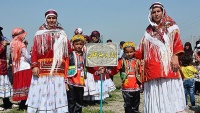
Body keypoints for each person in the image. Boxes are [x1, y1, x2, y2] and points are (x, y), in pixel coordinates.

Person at [136, 2, 186, 112]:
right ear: (150, 14)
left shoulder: (172, 26)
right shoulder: (148, 31)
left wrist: (175, 56)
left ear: (163, 12)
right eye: (153, 12)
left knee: (169, 90)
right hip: (152, 66)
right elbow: (140, 50)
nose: (156, 14)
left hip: (168, 65)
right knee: (154, 92)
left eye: (158, 11)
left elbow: (177, 43)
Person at [26, 9, 70, 113]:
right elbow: (35, 50)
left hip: (58, 67)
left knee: (57, 90)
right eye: (49, 18)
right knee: (42, 90)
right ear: (46, 19)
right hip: (42, 67)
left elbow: (68, 49)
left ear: (56, 19)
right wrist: (34, 65)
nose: (51, 20)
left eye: (53, 18)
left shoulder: (62, 33)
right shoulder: (39, 34)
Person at [108, 42, 142, 113]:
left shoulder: (138, 61)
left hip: (136, 86)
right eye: (127, 52)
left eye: (131, 52)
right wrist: (107, 71)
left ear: (134, 51)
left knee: (136, 105)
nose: (129, 54)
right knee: (127, 105)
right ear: (124, 52)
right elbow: (115, 70)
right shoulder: (121, 61)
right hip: (126, 86)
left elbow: (142, 72)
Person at [10, 28, 32, 110]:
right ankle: (25, 104)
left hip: (16, 68)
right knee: (27, 86)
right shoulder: (21, 44)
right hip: (24, 67)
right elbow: (27, 56)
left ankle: (22, 105)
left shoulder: (12, 43)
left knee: (21, 86)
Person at [67, 35, 86, 113]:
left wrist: (98, 71)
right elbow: (65, 67)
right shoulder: (70, 54)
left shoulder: (84, 55)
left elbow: (90, 67)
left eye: (80, 44)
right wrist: (65, 81)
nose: (78, 46)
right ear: (73, 44)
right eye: (77, 44)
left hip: (80, 80)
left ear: (83, 45)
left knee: (79, 100)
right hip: (71, 80)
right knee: (71, 100)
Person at [0, 33, 13, 111]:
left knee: (4, 86)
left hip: (3, 68)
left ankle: (7, 102)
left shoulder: (2, 40)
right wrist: (3, 46)